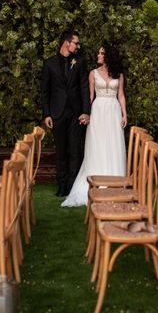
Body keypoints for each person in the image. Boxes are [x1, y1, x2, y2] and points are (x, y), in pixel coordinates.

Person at [62, 42, 127, 207]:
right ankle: (94, 181)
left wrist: (125, 114)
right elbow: (89, 96)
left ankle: (113, 183)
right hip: (98, 112)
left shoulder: (118, 75)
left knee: (113, 145)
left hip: (113, 111)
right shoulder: (92, 73)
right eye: (99, 52)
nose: (98, 55)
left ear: (108, 56)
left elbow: (121, 95)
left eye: (101, 53)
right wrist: (86, 113)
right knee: (98, 146)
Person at [41, 30, 91, 197]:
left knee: (75, 151)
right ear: (66, 43)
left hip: (76, 114)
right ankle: (62, 187)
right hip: (57, 113)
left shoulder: (80, 62)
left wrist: (86, 112)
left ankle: (72, 187)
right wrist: (47, 114)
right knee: (61, 151)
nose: (78, 46)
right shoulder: (49, 64)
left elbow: (84, 88)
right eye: (76, 43)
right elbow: (45, 92)